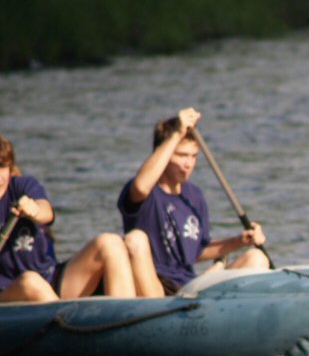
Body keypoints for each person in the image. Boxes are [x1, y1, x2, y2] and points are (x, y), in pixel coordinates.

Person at [118, 108, 267, 297]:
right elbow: (140, 188)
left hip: (188, 287)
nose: (188, 164)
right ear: (163, 152)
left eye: (193, 156)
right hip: (155, 287)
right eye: (180, 155)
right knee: (135, 238)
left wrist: (239, 241)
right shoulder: (145, 190)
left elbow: (197, 251)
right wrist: (176, 134)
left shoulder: (194, 195)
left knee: (256, 258)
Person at [1, 133, 136, 303]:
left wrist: (34, 210)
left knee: (110, 242)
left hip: (51, 280)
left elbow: (47, 212)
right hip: (9, 293)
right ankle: (67, 326)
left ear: (10, 168)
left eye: (2, 167)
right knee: (31, 281)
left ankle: (125, 319)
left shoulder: (21, 186)